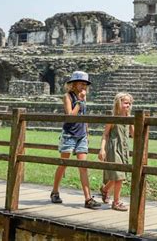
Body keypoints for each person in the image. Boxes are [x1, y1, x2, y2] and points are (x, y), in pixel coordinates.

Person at [50, 71, 101, 209]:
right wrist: (79, 101)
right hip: (69, 134)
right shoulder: (68, 96)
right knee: (63, 164)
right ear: (73, 84)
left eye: (85, 84)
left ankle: (88, 198)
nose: (83, 86)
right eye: (81, 83)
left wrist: (87, 133)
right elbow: (70, 116)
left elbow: (84, 116)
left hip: (81, 135)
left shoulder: (83, 97)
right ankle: (55, 191)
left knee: (83, 166)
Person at [98, 92, 134, 211]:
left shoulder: (129, 118)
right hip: (113, 149)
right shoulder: (113, 117)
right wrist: (102, 149)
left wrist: (132, 121)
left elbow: (134, 134)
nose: (128, 105)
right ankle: (116, 202)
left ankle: (105, 189)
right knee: (119, 176)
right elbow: (105, 135)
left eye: (129, 103)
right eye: (125, 103)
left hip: (123, 149)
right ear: (118, 103)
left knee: (118, 175)